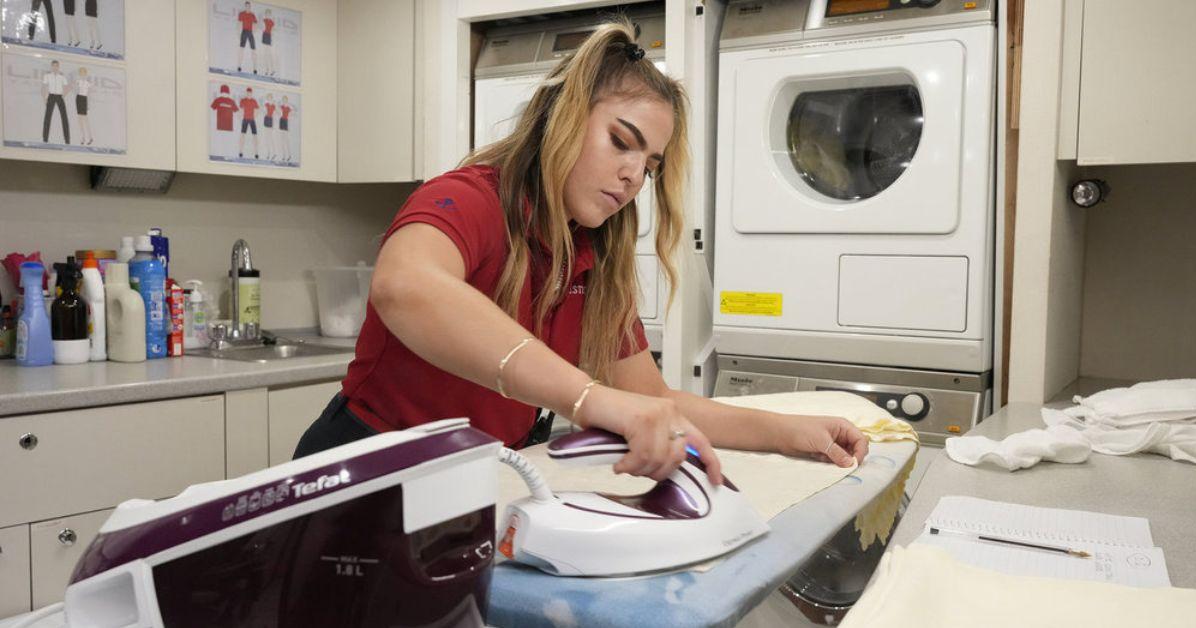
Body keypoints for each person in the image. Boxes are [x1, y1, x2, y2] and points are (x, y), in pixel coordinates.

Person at [292, 19, 867, 484]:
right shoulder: (468, 200)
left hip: (480, 477)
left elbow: (653, 400)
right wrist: (592, 399)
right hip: (365, 469)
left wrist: (792, 431)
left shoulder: (589, 258)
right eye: (621, 142)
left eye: (649, 165)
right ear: (561, 115)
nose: (632, 176)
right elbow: (405, 287)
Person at [41, 60, 70, 145]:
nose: (55, 67)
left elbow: (67, 87)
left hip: (59, 96)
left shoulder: (62, 77)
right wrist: (44, 98)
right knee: (47, 117)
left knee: (64, 117)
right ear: (51, 66)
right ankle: (45, 139)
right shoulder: (47, 76)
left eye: (56, 66)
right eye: (53, 66)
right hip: (51, 96)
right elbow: (44, 87)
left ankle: (67, 140)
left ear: (58, 67)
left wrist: (63, 95)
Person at [236, 1, 258, 75]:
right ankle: (239, 66)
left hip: (250, 32)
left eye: (249, 6)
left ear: (250, 7)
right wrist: (239, 34)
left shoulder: (252, 15)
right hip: (244, 32)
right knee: (241, 49)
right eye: (246, 6)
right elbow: (239, 24)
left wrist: (253, 32)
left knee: (253, 50)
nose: (247, 7)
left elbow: (255, 24)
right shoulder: (241, 14)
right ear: (245, 6)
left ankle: (255, 68)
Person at [73, 67, 93, 146]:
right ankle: (83, 137)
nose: (82, 74)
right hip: (78, 98)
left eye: (83, 73)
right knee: (80, 119)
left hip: (84, 99)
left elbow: (89, 95)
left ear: (86, 74)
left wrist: (88, 105)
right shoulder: (78, 81)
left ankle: (90, 137)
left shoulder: (88, 83)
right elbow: (75, 87)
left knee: (85, 119)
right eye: (81, 73)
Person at [237, 86, 259, 159]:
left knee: (255, 136)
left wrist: (255, 116)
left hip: (252, 119)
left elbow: (257, 110)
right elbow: (240, 110)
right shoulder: (243, 100)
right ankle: (240, 151)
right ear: (246, 93)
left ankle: (256, 152)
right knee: (242, 135)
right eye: (248, 93)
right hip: (245, 119)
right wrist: (240, 118)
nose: (249, 94)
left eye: (250, 93)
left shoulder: (254, 101)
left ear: (251, 93)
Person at [260, 8, 277, 77]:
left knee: (269, 54)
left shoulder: (272, 22)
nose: (267, 15)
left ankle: (273, 69)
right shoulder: (263, 20)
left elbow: (272, 31)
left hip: (269, 36)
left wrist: (272, 40)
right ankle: (267, 70)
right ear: (265, 14)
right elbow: (262, 28)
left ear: (270, 15)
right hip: (264, 36)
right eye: (266, 14)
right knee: (265, 54)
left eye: (268, 14)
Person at [277, 95, 293, 161]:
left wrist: (288, 126)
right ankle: (283, 156)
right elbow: (278, 112)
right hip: (281, 122)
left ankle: (289, 155)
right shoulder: (281, 107)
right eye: (283, 100)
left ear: (287, 100)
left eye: (285, 100)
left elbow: (290, 116)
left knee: (286, 140)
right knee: (282, 140)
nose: (284, 101)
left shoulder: (289, 108)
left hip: (286, 122)